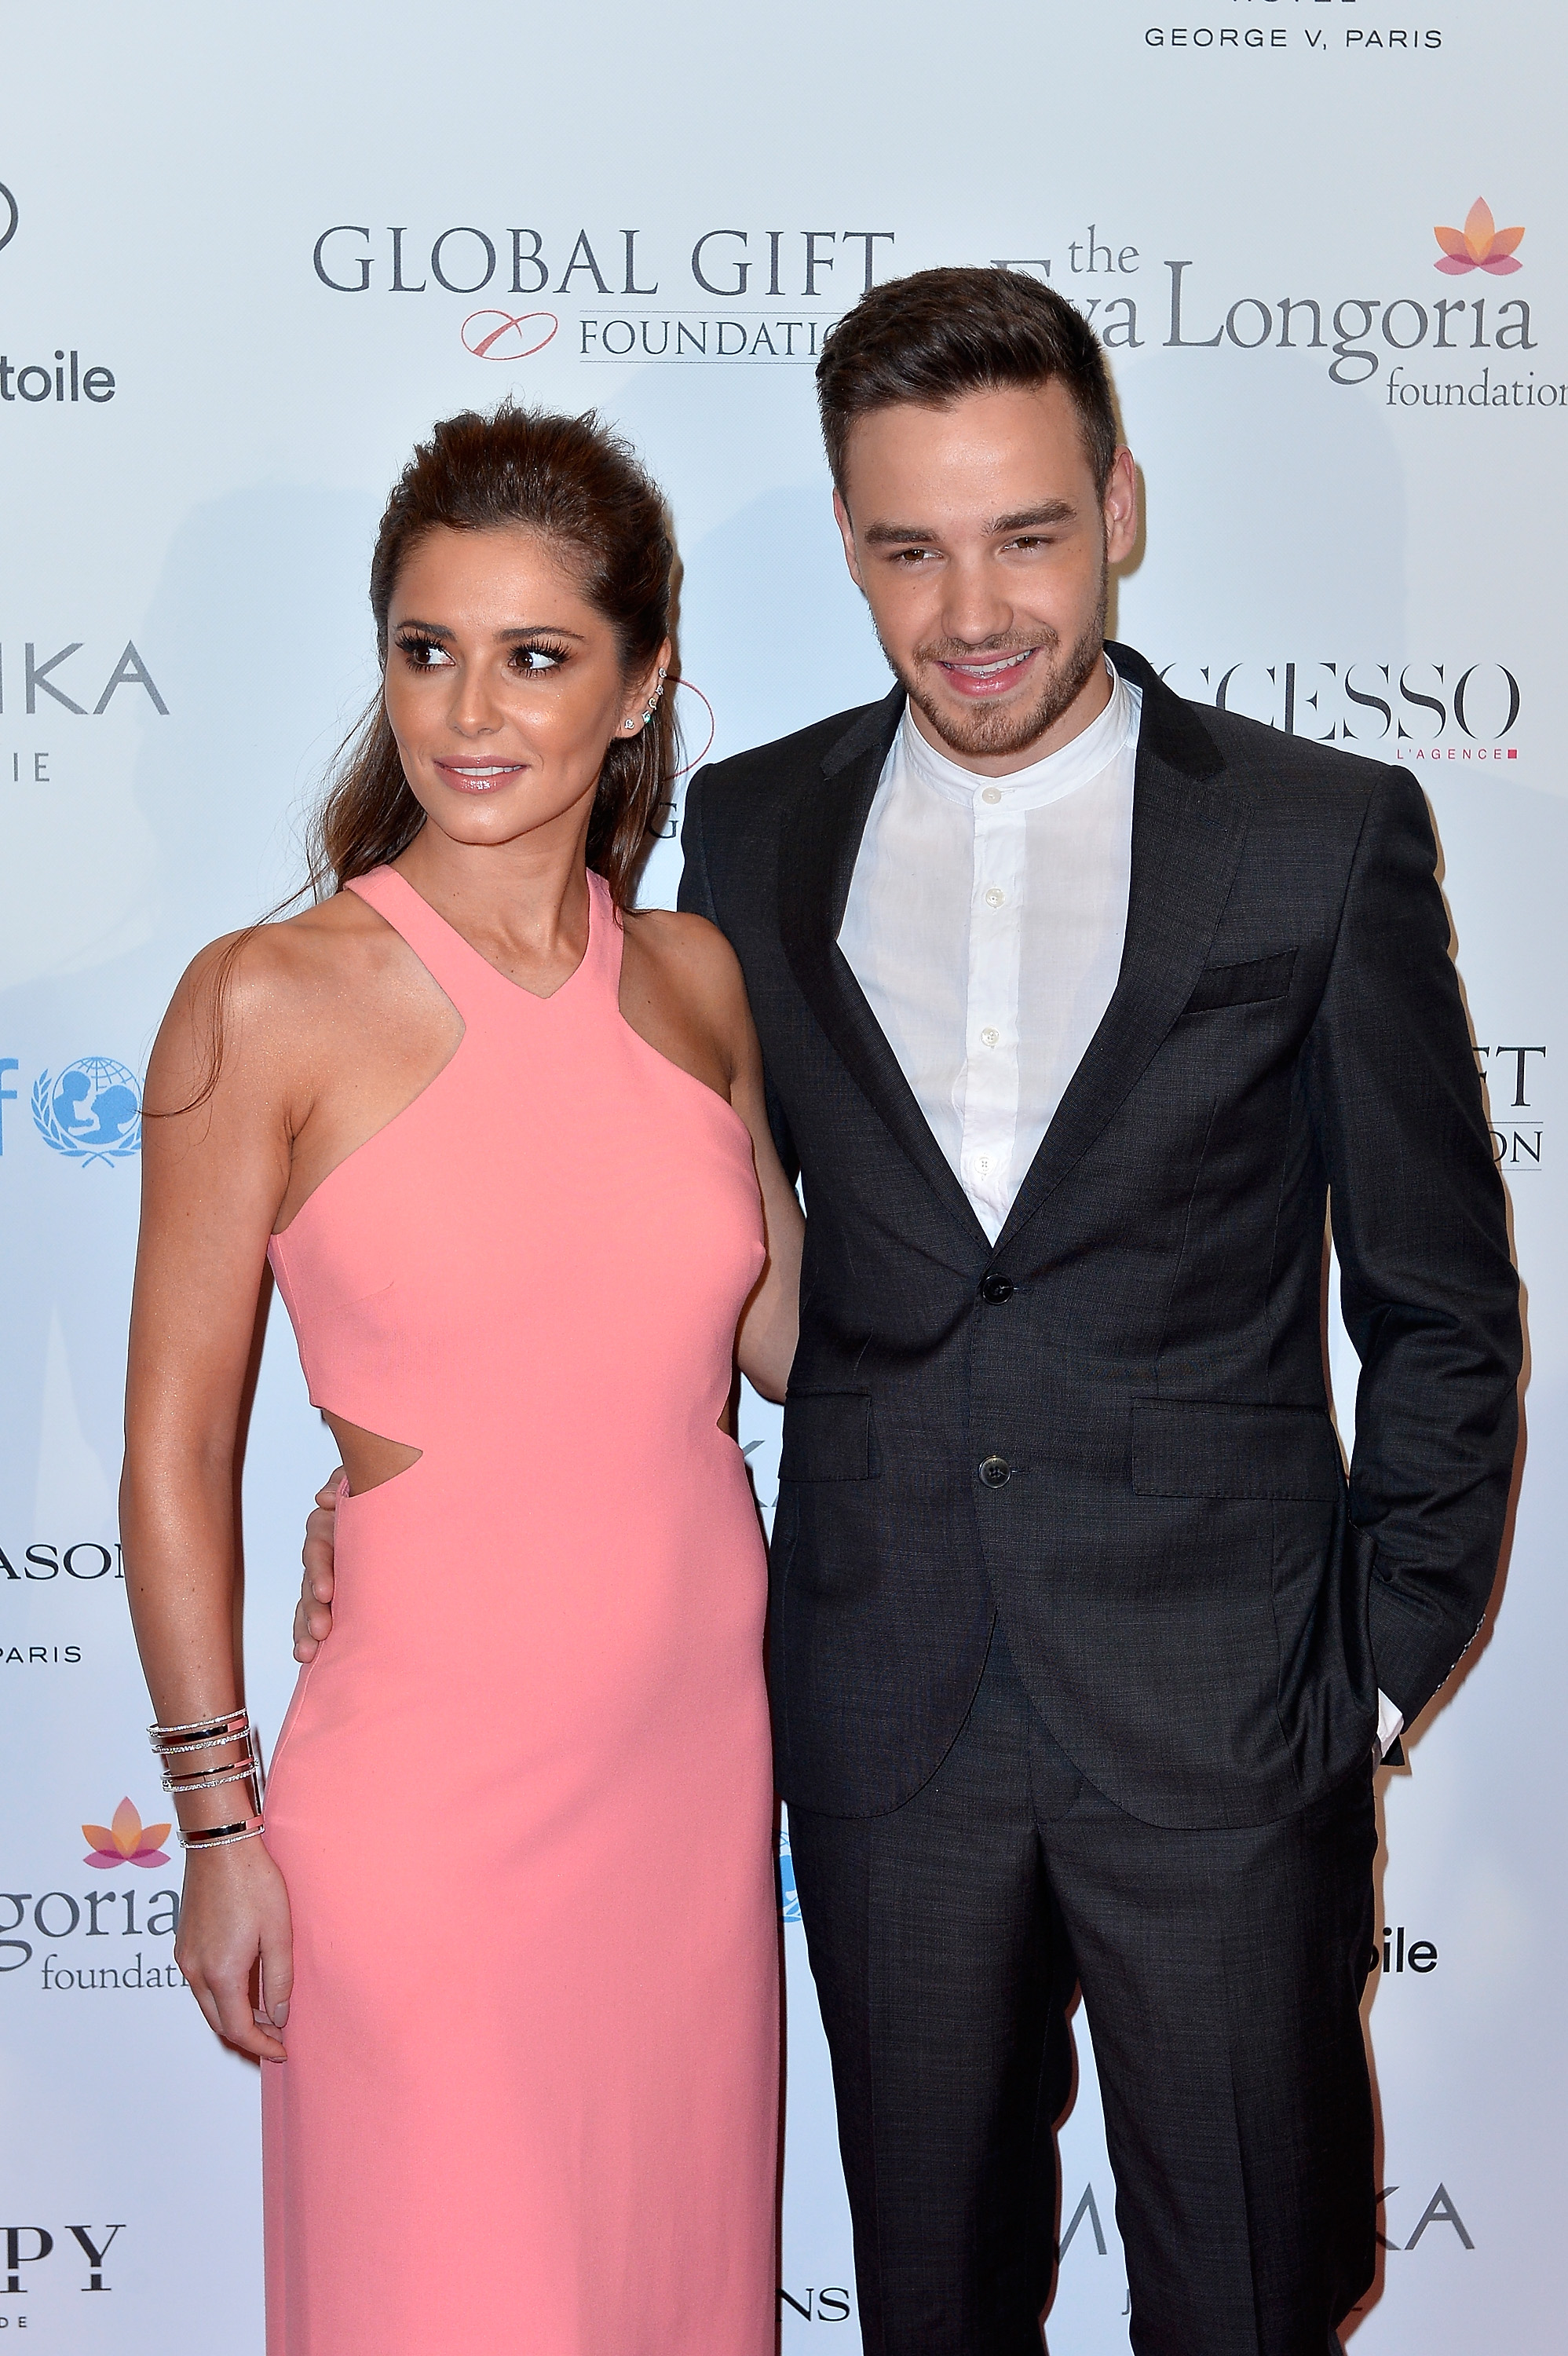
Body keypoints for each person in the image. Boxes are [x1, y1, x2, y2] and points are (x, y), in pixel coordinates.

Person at [296, 271, 1522, 2356]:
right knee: (930, 2306)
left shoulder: (1316, 845)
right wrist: (430, 1472)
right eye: (906, 545)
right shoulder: (751, 837)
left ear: (1117, 505)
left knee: (1245, 2291)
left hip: (1225, 1731)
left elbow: (1439, 1310)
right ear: (849, 542)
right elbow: (657, 1213)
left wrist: (1357, 1681)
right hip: (872, 1722)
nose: (971, 602)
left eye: (1024, 532)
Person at [121, 404, 803, 2356]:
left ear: (641, 677)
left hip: (684, 1803)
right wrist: (217, 1826)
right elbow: (175, 1454)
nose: (469, 711)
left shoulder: (690, 978)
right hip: (425, 1811)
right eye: (427, 649)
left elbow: (796, 1337)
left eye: (535, 655)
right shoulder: (268, 1000)